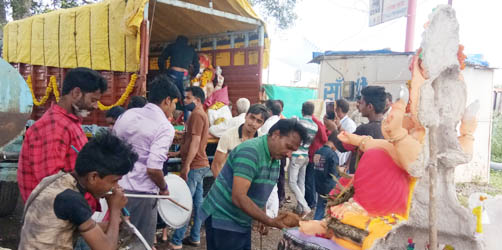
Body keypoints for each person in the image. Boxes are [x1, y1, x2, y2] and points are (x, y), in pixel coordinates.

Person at [200, 119, 309, 250]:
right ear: (275, 134)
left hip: (241, 219)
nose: (289, 154)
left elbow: (261, 190)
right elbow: (239, 197)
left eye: (293, 151)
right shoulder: (250, 152)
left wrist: (261, 217)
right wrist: (268, 220)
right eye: (288, 147)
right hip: (223, 217)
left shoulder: (275, 158)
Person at [18, 131, 137, 250]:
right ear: (93, 177)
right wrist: (115, 211)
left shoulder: (54, 181)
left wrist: (113, 225)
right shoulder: (72, 200)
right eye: (114, 181)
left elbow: (72, 227)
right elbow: (106, 248)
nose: (115, 187)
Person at [18, 67, 107, 208]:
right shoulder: (54, 126)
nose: (96, 106)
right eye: (93, 100)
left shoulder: (70, 122)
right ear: (76, 93)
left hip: (69, 212)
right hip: (54, 217)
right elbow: (52, 185)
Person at [113, 76, 180, 247]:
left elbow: (111, 150)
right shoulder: (165, 127)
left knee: (116, 241)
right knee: (140, 244)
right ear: (167, 100)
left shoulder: (127, 115)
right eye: (174, 104)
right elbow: (153, 169)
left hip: (116, 190)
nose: (173, 109)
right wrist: (164, 188)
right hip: (141, 195)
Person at [170, 86, 209, 249]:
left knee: (184, 203)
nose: (184, 101)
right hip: (200, 164)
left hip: (194, 165)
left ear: (197, 100)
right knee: (198, 203)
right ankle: (194, 237)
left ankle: (177, 240)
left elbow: (195, 143)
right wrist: (177, 155)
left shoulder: (197, 115)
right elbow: (191, 142)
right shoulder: (200, 114)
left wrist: (185, 166)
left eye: (187, 98)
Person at [333, 86, 387, 174]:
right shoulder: (388, 129)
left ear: (370, 107)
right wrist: (339, 127)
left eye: (361, 103)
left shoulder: (365, 129)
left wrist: (334, 129)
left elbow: (341, 146)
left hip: (363, 178)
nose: (358, 106)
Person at [211, 104, 270, 177]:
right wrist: (222, 186)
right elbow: (216, 165)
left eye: (259, 121)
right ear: (246, 116)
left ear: (262, 124)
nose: (253, 123)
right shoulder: (228, 135)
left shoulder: (262, 141)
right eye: (252, 118)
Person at [288, 102, 318, 217]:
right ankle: (300, 208)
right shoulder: (315, 126)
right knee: (301, 183)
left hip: (296, 155)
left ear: (302, 110)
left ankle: (305, 207)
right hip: (306, 155)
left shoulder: (298, 121)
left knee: (292, 182)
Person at [313, 133, 340, 220]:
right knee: (332, 210)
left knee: (320, 207)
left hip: (319, 184)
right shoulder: (332, 154)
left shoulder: (318, 151)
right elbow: (334, 173)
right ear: (335, 143)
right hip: (330, 186)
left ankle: (314, 224)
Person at [304, 115, 328, 209]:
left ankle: (311, 202)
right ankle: (311, 201)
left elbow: (324, 138)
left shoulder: (314, 122)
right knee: (312, 178)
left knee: (310, 179)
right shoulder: (318, 122)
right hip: (316, 153)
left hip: (313, 154)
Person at [333, 98, 357, 169]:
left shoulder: (350, 124)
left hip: (341, 162)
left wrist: (347, 164)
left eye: (335, 108)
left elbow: (350, 144)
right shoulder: (338, 121)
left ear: (339, 110)